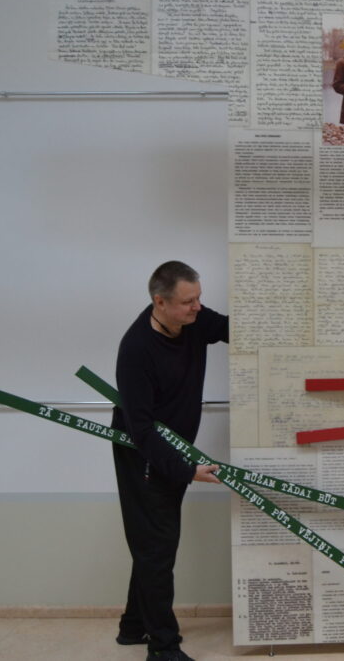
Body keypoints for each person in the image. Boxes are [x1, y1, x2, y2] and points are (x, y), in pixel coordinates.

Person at [111, 261, 228, 661]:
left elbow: (232, 328)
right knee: (157, 550)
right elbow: (142, 431)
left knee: (152, 545)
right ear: (159, 302)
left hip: (175, 452)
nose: (197, 307)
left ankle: (133, 625)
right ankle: (163, 648)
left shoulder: (194, 321)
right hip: (144, 458)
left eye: (199, 298)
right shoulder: (136, 349)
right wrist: (186, 471)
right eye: (187, 302)